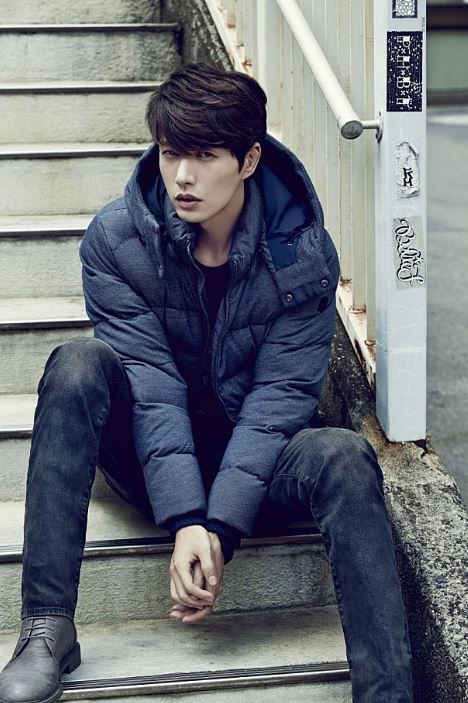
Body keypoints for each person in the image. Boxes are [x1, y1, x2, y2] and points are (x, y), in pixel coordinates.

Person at [0, 62, 413, 703]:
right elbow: (151, 384)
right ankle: (47, 628)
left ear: (248, 160)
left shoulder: (302, 254)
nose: (183, 177)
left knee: (343, 453)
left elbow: (278, 402)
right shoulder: (117, 240)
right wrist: (187, 518)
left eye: (204, 156)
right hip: (149, 458)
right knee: (77, 363)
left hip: (258, 463)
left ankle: (388, 693)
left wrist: (219, 527)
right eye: (171, 154)